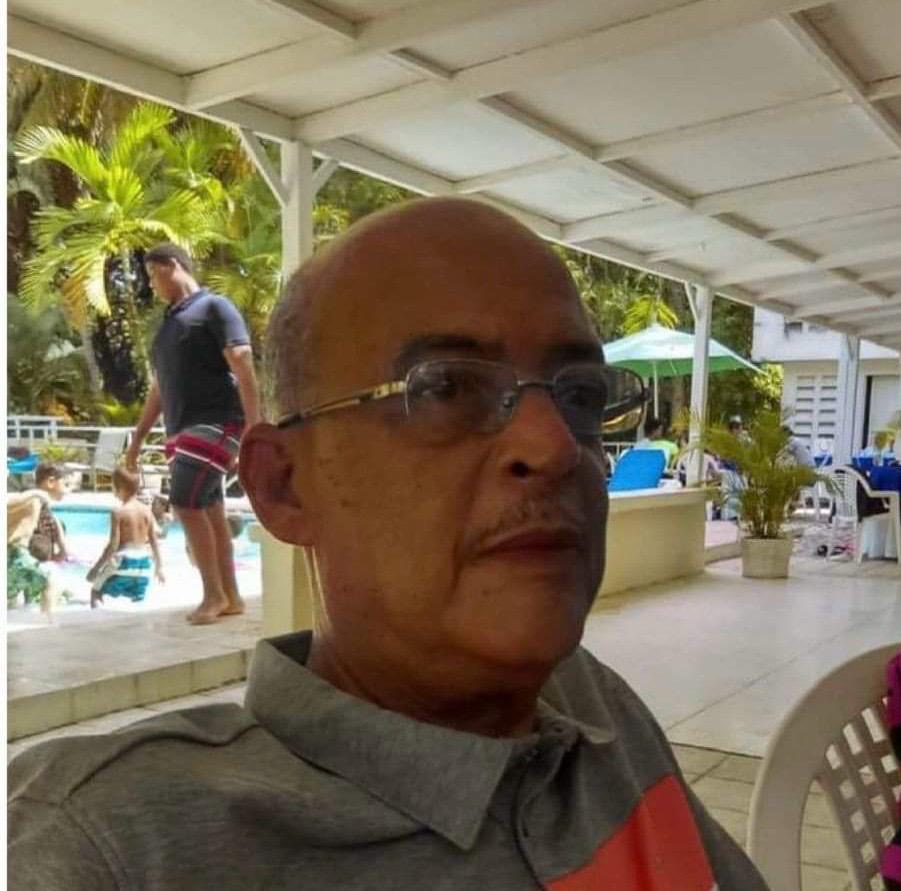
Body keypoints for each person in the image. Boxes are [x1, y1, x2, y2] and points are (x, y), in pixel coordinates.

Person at [8, 199, 768, 889]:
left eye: (580, 396)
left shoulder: (594, 710)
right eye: (445, 389)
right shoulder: (116, 844)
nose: (555, 445)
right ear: (284, 485)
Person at [123, 243, 262, 625]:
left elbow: (242, 361)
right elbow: (160, 387)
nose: (151, 285)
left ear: (172, 266)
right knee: (209, 506)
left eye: (153, 275)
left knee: (185, 502)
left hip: (218, 420)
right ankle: (231, 596)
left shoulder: (215, 307)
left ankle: (213, 595)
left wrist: (254, 424)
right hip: (180, 428)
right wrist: (138, 439)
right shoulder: (168, 324)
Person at [86, 467, 164, 608]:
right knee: (138, 600)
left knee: (95, 592)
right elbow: (154, 542)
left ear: (119, 488)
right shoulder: (147, 511)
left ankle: (97, 617)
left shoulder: (118, 512)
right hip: (143, 565)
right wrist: (159, 567)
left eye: (113, 486)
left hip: (123, 561)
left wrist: (96, 569)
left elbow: (113, 546)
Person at [6, 463, 69, 613]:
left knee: (13, 595)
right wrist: (34, 493)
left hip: (15, 554)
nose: (68, 490)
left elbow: (54, 525)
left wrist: (62, 548)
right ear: (51, 482)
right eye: (66, 484)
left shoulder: (41, 504)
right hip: (16, 552)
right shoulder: (35, 498)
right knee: (51, 582)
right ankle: (48, 622)